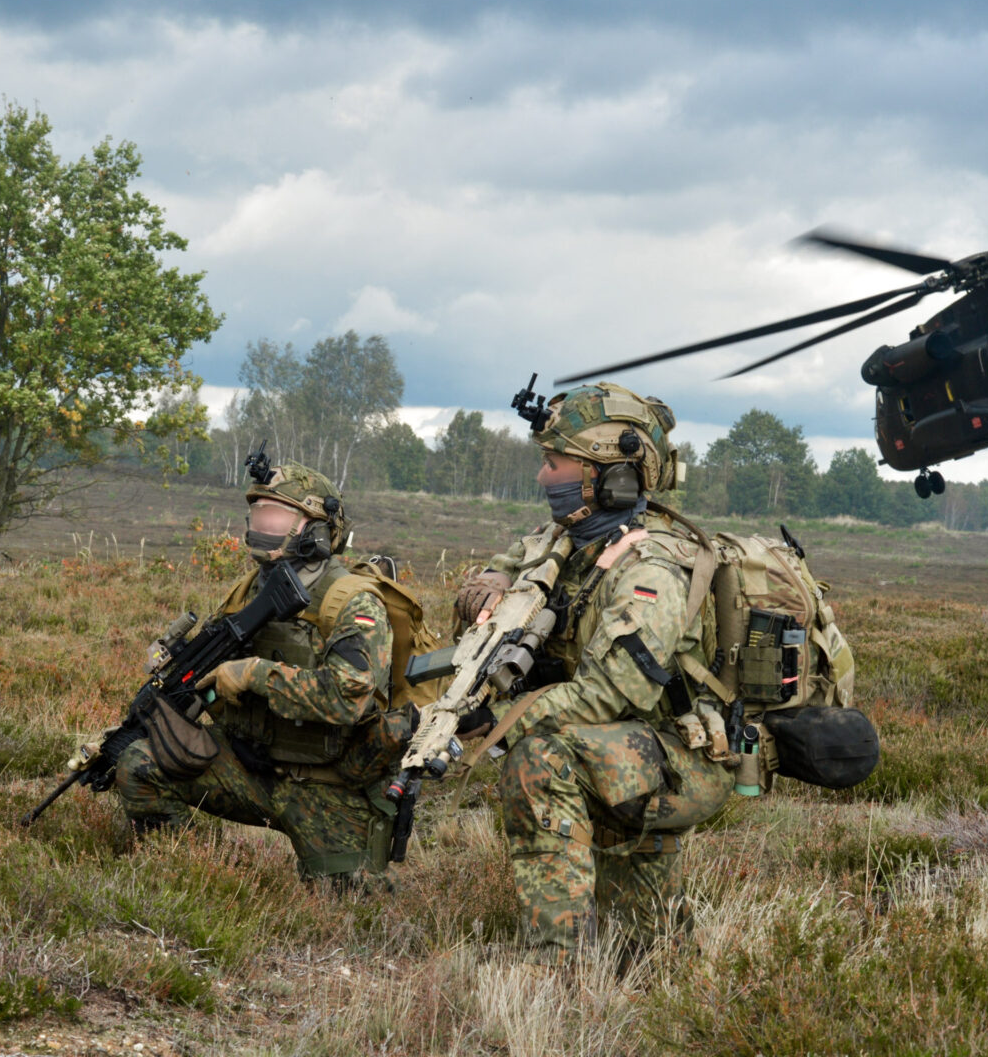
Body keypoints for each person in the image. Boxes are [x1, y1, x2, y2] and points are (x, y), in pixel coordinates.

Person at [454, 380, 736, 963]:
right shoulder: (573, 540)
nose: (542, 476)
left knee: (539, 757)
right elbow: (515, 559)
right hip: (625, 747)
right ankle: (650, 943)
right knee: (651, 950)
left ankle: (558, 959)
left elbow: (608, 696)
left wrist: (498, 721)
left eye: (555, 463)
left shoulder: (649, 570)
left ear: (611, 478)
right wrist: (493, 584)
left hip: (681, 758)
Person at [112, 462, 413, 886]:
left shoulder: (352, 602)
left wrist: (256, 674)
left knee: (351, 905)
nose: (263, 528)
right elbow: (208, 678)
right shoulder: (248, 591)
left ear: (317, 528)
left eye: (277, 517)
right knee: (139, 763)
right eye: (259, 515)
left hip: (331, 783)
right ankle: (198, 878)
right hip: (250, 767)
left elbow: (349, 698)